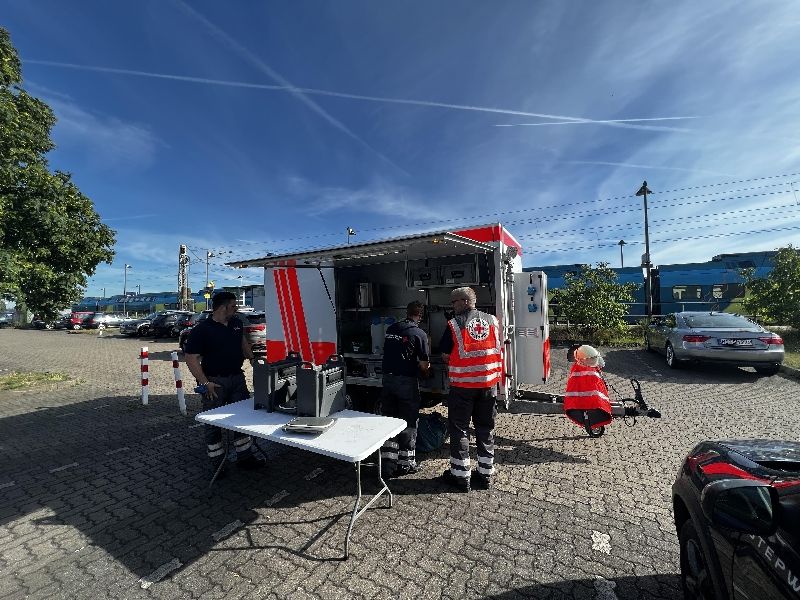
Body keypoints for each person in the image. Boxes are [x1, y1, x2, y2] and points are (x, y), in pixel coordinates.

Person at [184, 291, 264, 474]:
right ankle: (218, 463)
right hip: (214, 383)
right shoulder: (202, 330)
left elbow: (243, 343)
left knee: (242, 418)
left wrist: (253, 359)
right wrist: (205, 383)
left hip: (237, 379)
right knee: (213, 423)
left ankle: (245, 457)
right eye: (233, 306)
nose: (236, 309)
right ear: (223, 307)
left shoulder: (236, 323)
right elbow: (191, 358)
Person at [438, 287, 501, 492]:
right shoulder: (492, 321)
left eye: (454, 302)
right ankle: (485, 474)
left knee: (459, 430)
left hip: (463, 387)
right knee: (485, 429)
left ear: (465, 301)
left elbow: (445, 355)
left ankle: (460, 476)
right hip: (488, 385)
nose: (452, 306)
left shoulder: (454, 324)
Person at [379, 301, 430, 478]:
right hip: (406, 382)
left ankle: (387, 464)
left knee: (390, 420)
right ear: (420, 315)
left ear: (407, 312)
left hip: (388, 380)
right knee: (408, 421)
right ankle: (406, 464)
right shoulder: (419, 333)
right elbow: (424, 364)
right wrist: (425, 374)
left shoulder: (392, 329)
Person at [563, 344, 612, 430]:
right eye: (592, 359)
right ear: (584, 360)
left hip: (581, 402)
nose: (594, 362)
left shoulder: (579, 368)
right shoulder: (589, 371)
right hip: (591, 404)